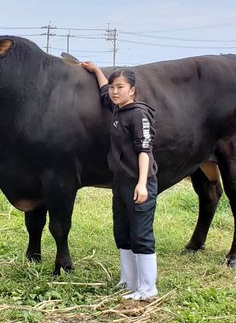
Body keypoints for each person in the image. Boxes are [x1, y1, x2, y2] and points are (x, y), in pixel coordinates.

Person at [81, 61, 158, 300]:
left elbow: (144, 149)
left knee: (141, 235)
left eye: (121, 87)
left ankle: (147, 289)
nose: (115, 91)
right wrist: (95, 70)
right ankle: (129, 282)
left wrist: (142, 183)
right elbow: (104, 90)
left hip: (138, 182)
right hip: (121, 181)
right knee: (122, 233)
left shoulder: (139, 114)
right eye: (114, 86)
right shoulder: (117, 108)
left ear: (132, 90)